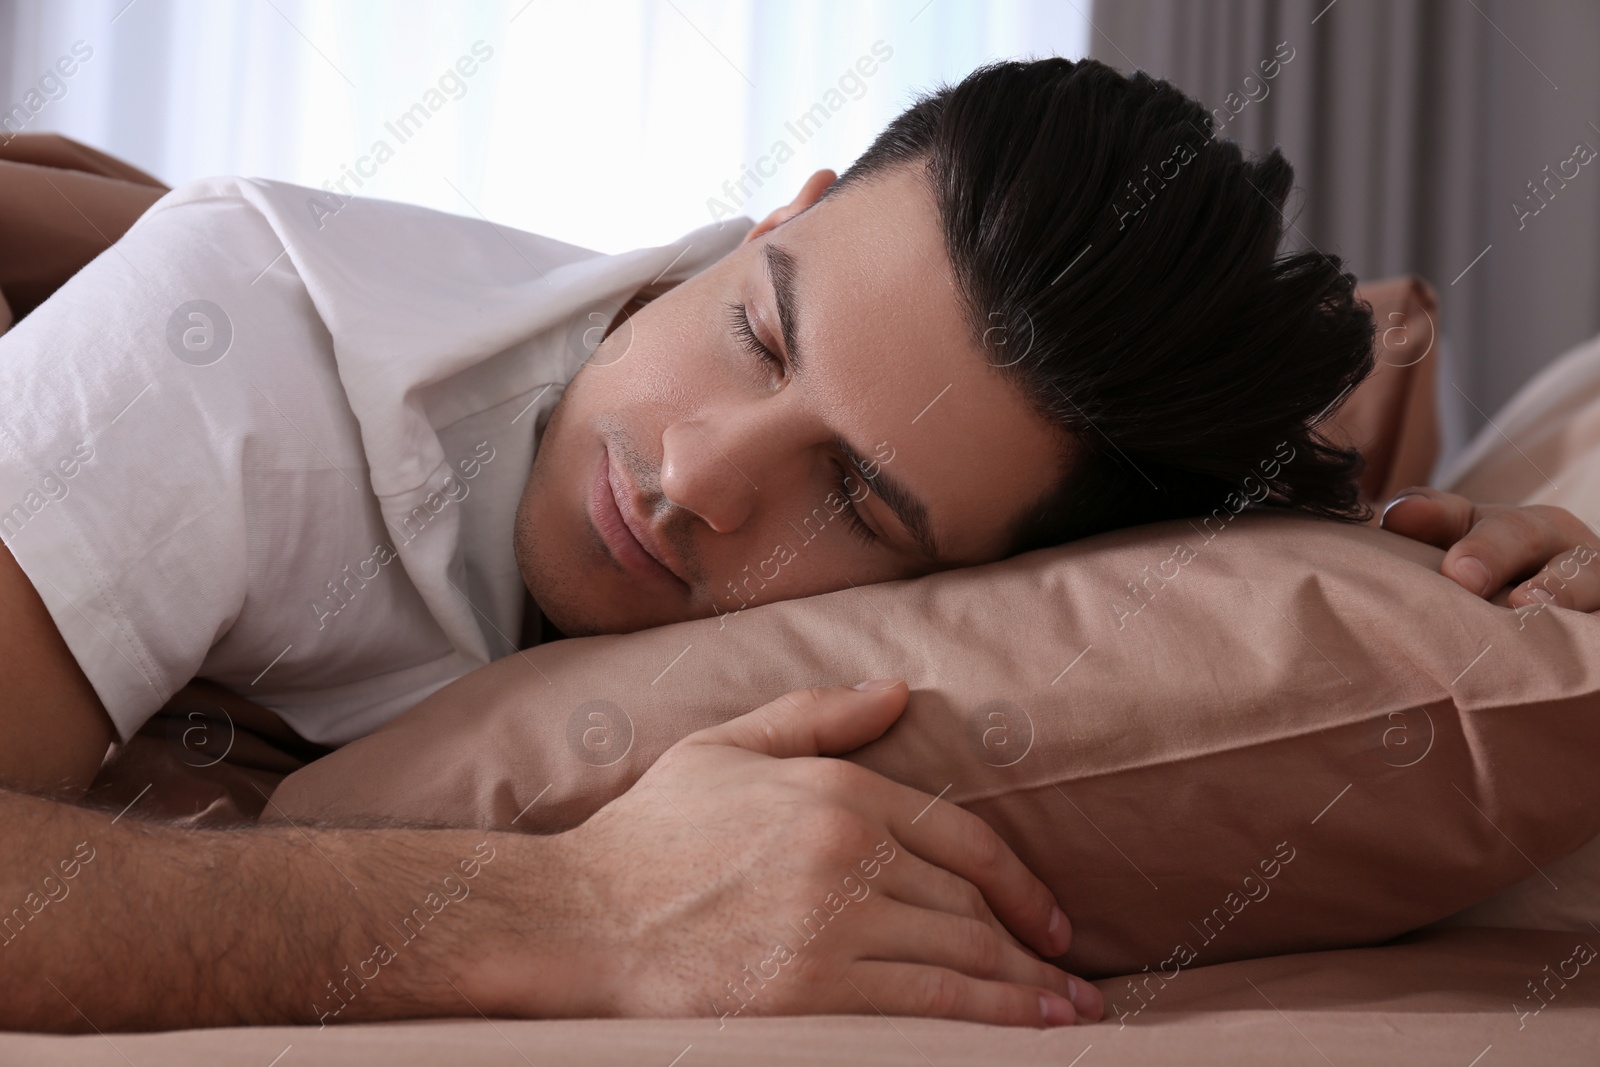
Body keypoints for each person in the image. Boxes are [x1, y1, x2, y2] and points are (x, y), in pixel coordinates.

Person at [0, 57, 1594, 1034]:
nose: (695, 474)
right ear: (781, 215)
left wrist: (1474, 583)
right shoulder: (230, 365)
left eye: (861, 500)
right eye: (762, 338)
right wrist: (574, 918)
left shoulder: (1027, 550)